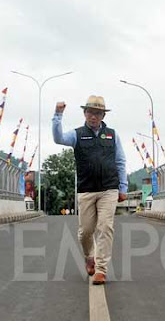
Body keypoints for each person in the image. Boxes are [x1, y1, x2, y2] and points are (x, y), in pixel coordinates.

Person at [52, 95, 127, 285]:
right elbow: (58, 138)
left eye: (98, 113)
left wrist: (123, 187)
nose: (93, 116)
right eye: (90, 112)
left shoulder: (112, 134)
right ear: (84, 113)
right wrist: (58, 115)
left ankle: (101, 270)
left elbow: (120, 161)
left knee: (105, 227)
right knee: (85, 231)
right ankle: (89, 256)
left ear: (103, 115)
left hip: (108, 189)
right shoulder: (77, 134)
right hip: (86, 190)